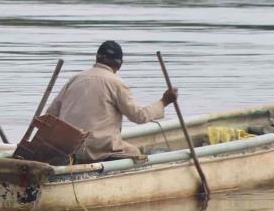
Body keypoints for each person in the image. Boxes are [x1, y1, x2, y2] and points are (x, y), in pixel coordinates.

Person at [46, 40, 178, 163]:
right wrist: (164, 101)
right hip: (97, 151)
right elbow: (139, 116)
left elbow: (50, 114)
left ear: (97, 58)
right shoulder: (116, 83)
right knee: (135, 153)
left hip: (68, 149)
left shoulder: (75, 79)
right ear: (120, 63)